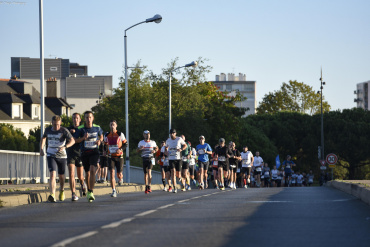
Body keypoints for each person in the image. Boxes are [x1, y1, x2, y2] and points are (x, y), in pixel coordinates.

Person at [40, 115, 75, 202]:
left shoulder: (64, 130)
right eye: (55, 125)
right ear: (52, 123)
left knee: (61, 176)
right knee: (52, 174)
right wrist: (41, 148)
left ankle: (62, 190)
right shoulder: (48, 130)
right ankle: (52, 194)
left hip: (61, 155)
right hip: (51, 154)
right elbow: (43, 138)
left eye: (58, 125)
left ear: (61, 123)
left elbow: (72, 140)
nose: (56, 127)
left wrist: (65, 146)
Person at [76, 111, 104, 202]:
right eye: (87, 117)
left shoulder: (97, 127)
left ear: (93, 118)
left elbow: (101, 135)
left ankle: (91, 191)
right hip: (84, 152)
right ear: (84, 119)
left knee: (93, 169)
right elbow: (75, 140)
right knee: (87, 173)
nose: (88, 119)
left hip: (94, 151)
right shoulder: (80, 129)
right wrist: (83, 138)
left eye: (90, 117)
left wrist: (100, 140)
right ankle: (88, 190)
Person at [104, 120, 127, 197]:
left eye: (113, 124)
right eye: (111, 125)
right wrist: (104, 151)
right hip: (111, 156)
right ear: (109, 126)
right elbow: (105, 144)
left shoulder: (120, 134)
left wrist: (120, 149)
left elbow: (125, 144)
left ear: (116, 126)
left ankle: (120, 178)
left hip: (119, 156)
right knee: (112, 173)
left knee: (119, 174)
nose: (112, 126)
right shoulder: (107, 135)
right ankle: (114, 190)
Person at [66, 113, 86, 200]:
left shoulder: (82, 129)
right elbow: (65, 139)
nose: (75, 120)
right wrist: (70, 135)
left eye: (77, 118)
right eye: (74, 118)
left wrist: (75, 138)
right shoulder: (68, 129)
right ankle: (73, 193)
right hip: (70, 154)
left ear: (80, 119)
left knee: (80, 176)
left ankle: (82, 183)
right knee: (71, 174)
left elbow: (83, 139)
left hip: (80, 154)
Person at [165, 129, 187, 193]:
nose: (172, 134)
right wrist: (166, 151)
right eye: (171, 133)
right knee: (173, 172)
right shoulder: (168, 140)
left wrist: (181, 149)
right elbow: (166, 147)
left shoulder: (179, 139)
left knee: (178, 174)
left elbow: (185, 145)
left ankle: (180, 178)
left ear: (175, 133)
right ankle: (174, 187)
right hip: (171, 158)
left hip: (178, 158)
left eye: (173, 133)